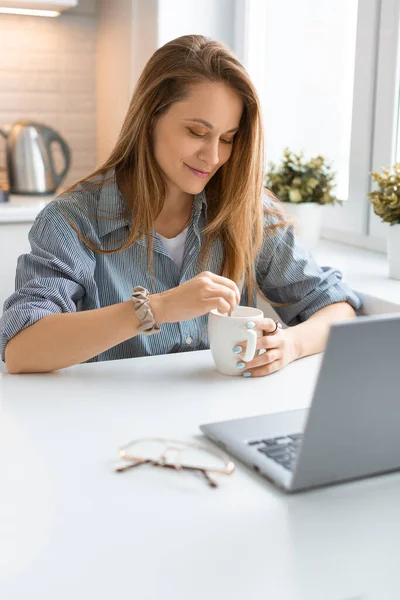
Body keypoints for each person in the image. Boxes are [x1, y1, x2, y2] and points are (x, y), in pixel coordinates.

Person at [0, 34, 361, 375]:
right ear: (150, 118)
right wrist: (158, 308)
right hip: (112, 429)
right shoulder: (71, 221)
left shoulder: (246, 210)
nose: (213, 155)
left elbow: (337, 307)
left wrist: (291, 345)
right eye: (197, 132)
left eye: (228, 139)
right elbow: (21, 349)